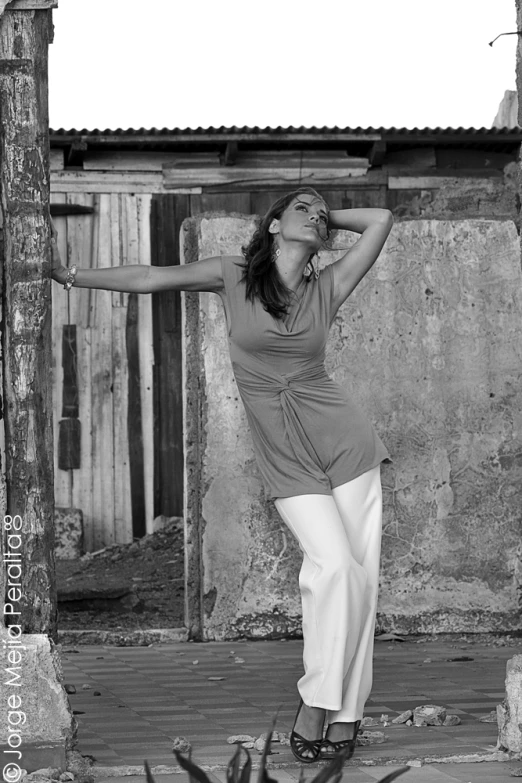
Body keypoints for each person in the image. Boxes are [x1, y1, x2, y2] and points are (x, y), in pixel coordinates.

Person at [51, 187, 393, 763]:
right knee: (332, 566)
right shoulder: (232, 275)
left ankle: (348, 713)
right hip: (286, 451)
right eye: (300, 206)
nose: (313, 213)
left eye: (320, 210)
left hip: (346, 442)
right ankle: (317, 701)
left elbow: (382, 218)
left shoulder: (328, 285)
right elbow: (152, 278)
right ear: (274, 223)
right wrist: (71, 275)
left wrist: (321, 216)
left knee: (360, 577)